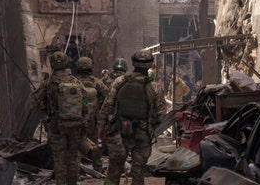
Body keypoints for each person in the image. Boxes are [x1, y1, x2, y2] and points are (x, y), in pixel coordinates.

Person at [98, 49, 167, 185]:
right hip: (142, 134)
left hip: (118, 131)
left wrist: (101, 128)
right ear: (150, 64)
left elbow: (107, 107)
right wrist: (150, 128)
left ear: (133, 63)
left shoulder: (120, 81)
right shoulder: (154, 87)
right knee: (138, 172)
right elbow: (161, 115)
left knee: (113, 171)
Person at [31, 51, 88, 185]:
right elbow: (85, 102)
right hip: (75, 126)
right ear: (66, 63)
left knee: (59, 160)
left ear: (51, 64)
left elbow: (34, 102)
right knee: (73, 158)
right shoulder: (76, 82)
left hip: (56, 126)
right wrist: (83, 119)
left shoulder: (48, 83)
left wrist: (45, 116)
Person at [75, 56, 109, 172]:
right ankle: (98, 168)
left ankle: (76, 170)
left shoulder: (73, 82)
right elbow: (108, 97)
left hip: (77, 121)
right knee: (95, 145)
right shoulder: (97, 82)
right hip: (93, 121)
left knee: (77, 146)